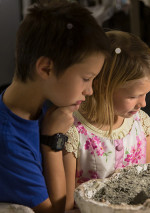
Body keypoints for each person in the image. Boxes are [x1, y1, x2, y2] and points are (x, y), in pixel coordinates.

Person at [0, 1, 110, 212]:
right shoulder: (9, 142)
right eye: (86, 78)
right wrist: (52, 140)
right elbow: (55, 211)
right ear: (46, 68)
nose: (90, 91)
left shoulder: (49, 99)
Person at [63, 30, 150, 210]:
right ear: (102, 85)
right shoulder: (73, 133)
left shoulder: (142, 124)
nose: (143, 103)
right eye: (133, 96)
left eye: (146, 94)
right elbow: (68, 204)